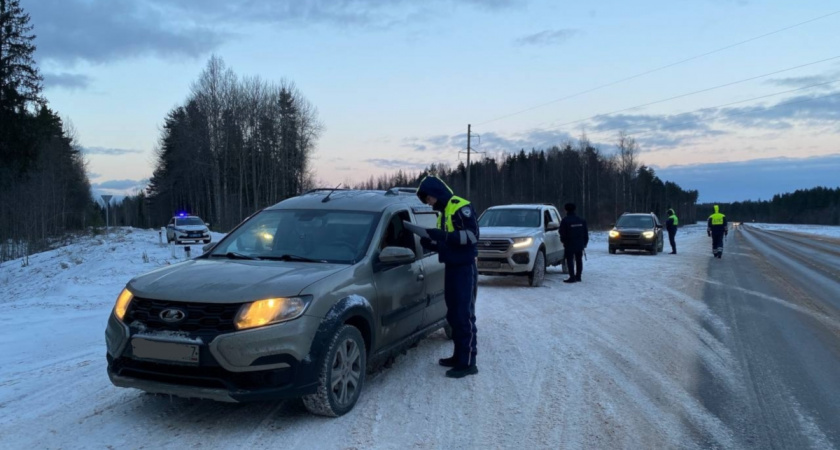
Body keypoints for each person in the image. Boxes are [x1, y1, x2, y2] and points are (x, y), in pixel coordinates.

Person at [416, 176, 480, 379]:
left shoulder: (461, 207)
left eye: (428, 199)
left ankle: (468, 362)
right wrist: (430, 243)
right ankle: (458, 356)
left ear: (436, 193)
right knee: (453, 315)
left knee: (463, 315)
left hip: (464, 269)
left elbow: (472, 236)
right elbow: (449, 244)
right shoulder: (443, 213)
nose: (428, 203)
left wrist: (442, 236)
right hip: (451, 267)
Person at [559, 203, 588, 283]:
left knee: (570, 260)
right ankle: (578, 276)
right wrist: (585, 243)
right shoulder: (581, 220)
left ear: (566, 210)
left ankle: (572, 277)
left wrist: (563, 241)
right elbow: (585, 233)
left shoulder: (565, 220)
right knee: (579, 260)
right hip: (580, 243)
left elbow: (561, 232)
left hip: (569, 243)